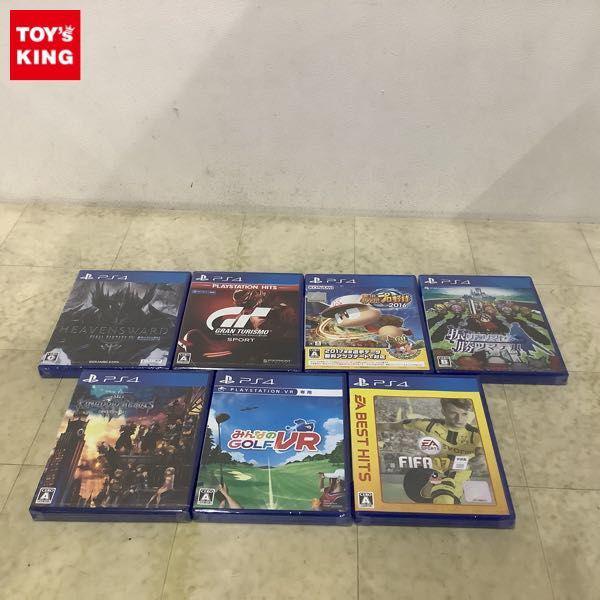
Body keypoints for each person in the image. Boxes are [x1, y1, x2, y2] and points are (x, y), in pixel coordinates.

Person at [378, 398, 484, 504]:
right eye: (453, 413)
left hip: (457, 480)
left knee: (444, 503)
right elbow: (390, 426)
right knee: (442, 500)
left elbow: (480, 458)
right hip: (430, 475)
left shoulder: (476, 434)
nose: (459, 419)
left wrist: (467, 464)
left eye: (464, 414)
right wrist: (368, 427)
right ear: (443, 411)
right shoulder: (429, 425)